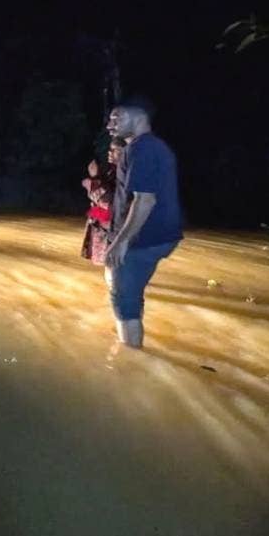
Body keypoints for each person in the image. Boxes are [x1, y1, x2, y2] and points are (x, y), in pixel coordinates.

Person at [105, 97, 183, 348]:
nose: (110, 125)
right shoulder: (146, 148)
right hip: (156, 235)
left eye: (117, 118)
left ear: (139, 117)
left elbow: (145, 201)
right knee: (125, 292)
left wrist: (121, 241)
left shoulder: (142, 148)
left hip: (143, 238)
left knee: (123, 302)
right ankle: (130, 333)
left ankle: (131, 361)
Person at [81, 136, 126, 274]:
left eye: (114, 150)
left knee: (114, 277)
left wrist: (94, 178)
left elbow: (109, 202)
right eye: (109, 149)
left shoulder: (126, 173)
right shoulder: (113, 171)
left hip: (115, 233)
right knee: (112, 275)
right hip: (108, 230)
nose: (109, 153)